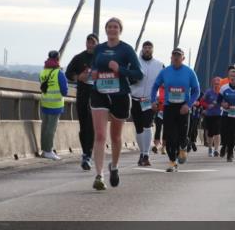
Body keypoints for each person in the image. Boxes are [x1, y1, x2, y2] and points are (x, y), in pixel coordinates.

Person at [89, 17, 143, 190]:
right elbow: (93, 68)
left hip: (120, 95)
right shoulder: (99, 49)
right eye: (109, 27)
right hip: (100, 93)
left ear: (120, 30)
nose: (112, 30)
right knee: (99, 135)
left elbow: (138, 74)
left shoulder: (126, 49)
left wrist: (120, 69)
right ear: (106, 30)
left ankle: (114, 166)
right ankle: (99, 175)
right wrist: (94, 73)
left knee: (116, 137)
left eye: (115, 27)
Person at [150, 47, 200, 171]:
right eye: (174, 55)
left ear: (183, 58)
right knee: (170, 137)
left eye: (178, 56)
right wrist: (153, 101)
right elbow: (155, 86)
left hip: (183, 107)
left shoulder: (189, 72)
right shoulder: (165, 72)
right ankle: (172, 162)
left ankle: (183, 148)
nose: (176, 58)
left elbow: (196, 90)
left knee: (182, 136)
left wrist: (188, 105)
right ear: (171, 58)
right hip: (169, 107)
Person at [64, 34, 97, 169]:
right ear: (86, 44)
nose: (90, 45)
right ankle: (85, 153)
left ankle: (88, 154)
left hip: (97, 97)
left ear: (97, 44)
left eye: (93, 42)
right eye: (88, 42)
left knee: (92, 126)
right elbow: (68, 74)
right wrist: (78, 77)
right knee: (84, 127)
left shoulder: (101, 58)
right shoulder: (79, 58)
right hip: (83, 96)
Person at [129, 40, 164, 167]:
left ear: (153, 50)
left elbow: (164, 83)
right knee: (138, 129)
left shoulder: (159, 65)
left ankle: (146, 154)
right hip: (135, 99)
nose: (147, 50)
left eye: (150, 47)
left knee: (147, 125)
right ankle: (142, 152)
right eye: (145, 47)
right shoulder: (134, 63)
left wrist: (161, 99)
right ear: (142, 49)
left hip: (150, 100)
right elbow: (127, 77)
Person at [39, 50, 69, 160]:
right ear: (58, 59)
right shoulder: (59, 73)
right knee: (51, 129)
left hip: (44, 103)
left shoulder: (43, 72)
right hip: (55, 105)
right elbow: (65, 91)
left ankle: (44, 150)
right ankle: (48, 151)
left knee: (45, 127)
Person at [200, 78, 223, 157]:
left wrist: (222, 104)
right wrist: (207, 106)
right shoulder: (208, 92)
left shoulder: (221, 93)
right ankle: (210, 148)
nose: (217, 85)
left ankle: (216, 149)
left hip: (219, 114)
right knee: (210, 133)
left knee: (217, 132)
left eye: (218, 84)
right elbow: (201, 101)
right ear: (213, 84)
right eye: (215, 84)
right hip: (209, 115)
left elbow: (225, 102)